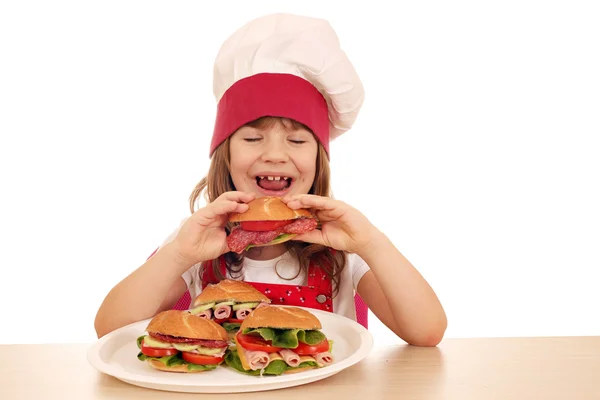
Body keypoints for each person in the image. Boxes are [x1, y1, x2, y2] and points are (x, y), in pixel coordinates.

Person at [94, 13, 447, 346]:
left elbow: (427, 331)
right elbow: (110, 329)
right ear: (225, 156)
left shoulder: (341, 249)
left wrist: (371, 242)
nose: (275, 154)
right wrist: (178, 255)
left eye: (296, 140)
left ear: (318, 162)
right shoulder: (197, 243)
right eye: (252, 138)